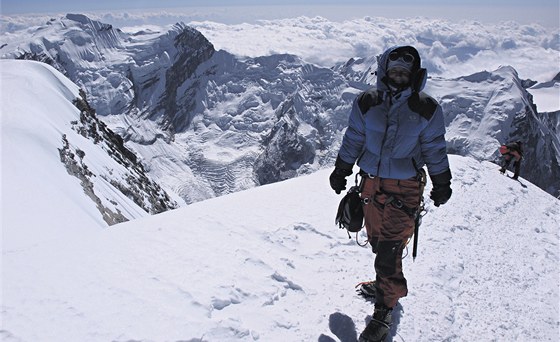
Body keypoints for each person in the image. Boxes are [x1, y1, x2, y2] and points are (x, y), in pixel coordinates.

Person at [329, 45, 452, 342]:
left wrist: (442, 182)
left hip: (405, 188)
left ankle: (383, 315)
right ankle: (386, 286)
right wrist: (341, 169)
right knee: (377, 242)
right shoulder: (367, 102)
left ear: (413, 75)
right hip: (370, 184)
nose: (398, 76)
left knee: (389, 250)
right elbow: (354, 138)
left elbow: (434, 148)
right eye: (394, 70)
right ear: (384, 71)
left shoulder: (426, 108)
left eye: (404, 72)